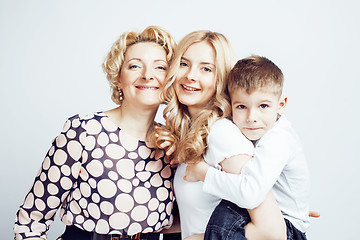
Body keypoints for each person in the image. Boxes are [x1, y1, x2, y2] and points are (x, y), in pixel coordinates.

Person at [14, 26, 177, 240]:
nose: (148, 75)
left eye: (160, 67)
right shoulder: (83, 132)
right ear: (118, 77)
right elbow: (30, 223)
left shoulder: (172, 144)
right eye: (135, 66)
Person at [154, 31, 286, 240]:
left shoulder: (222, 133)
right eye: (184, 64)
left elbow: (272, 232)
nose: (190, 75)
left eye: (206, 68)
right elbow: (198, 216)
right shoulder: (195, 131)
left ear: (220, 78)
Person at [185, 55, 311, 239]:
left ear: (281, 105)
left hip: (288, 228)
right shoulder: (258, 130)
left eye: (263, 106)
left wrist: (203, 173)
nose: (252, 117)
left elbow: (250, 194)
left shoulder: (278, 139)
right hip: (275, 216)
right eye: (242, 106)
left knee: (226, 212)